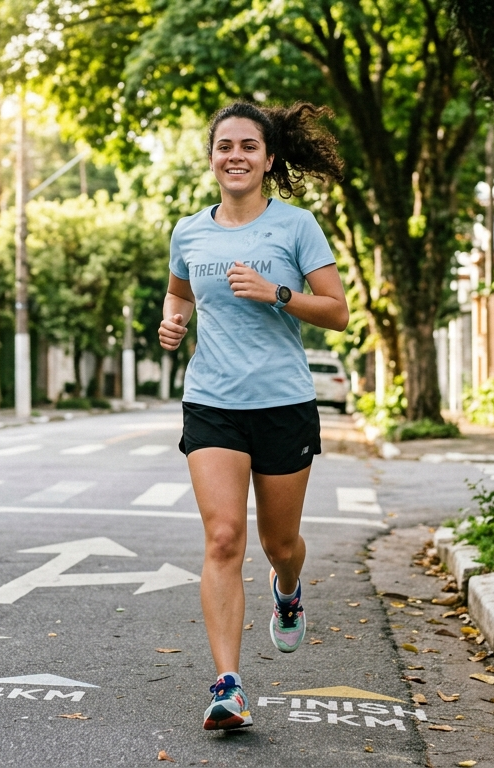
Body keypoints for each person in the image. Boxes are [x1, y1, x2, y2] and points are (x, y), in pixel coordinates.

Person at [158, 101, 348, 732]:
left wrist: (279, 295)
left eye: (247, 146)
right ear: (211, 157)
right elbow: (180, 290)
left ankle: (288, 589)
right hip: (212, 401)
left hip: (283, 403)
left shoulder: (296, 227)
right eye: (223, 146)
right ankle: (228, 686)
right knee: (222, 539)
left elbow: (338, 310)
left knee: (279, 544)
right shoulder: (190, 230)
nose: (234, 156)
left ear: (268, 159)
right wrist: (174, 321)